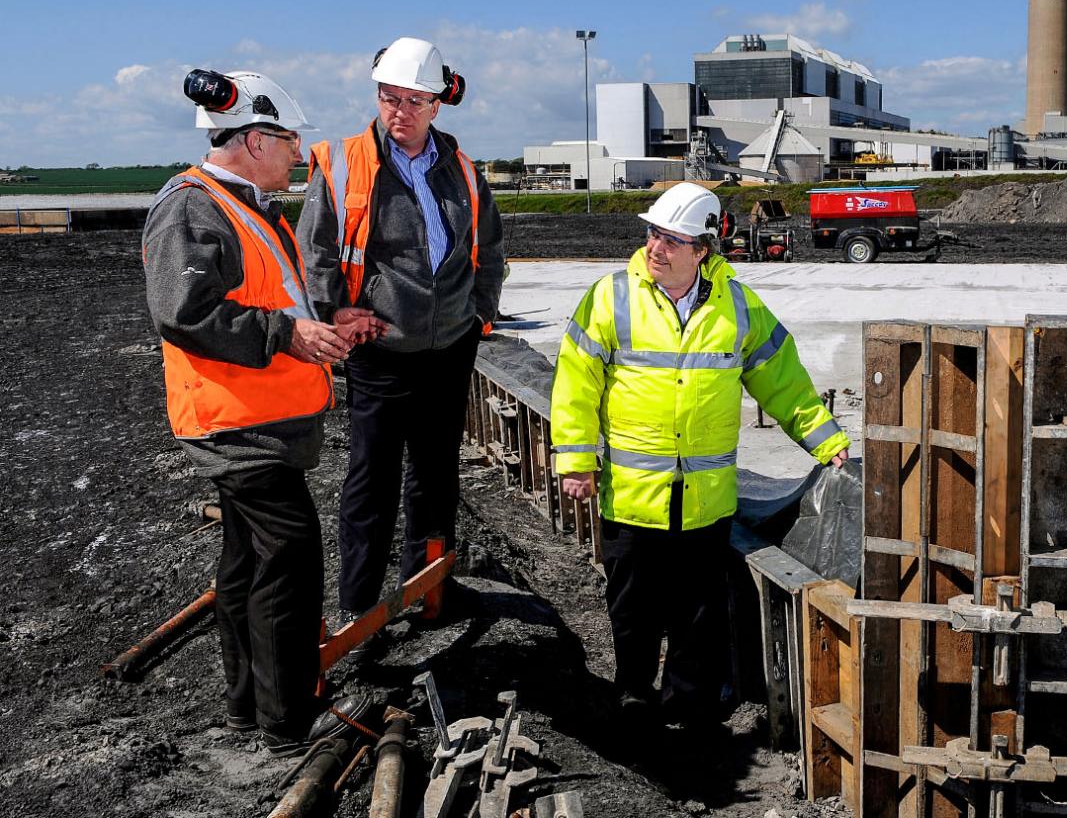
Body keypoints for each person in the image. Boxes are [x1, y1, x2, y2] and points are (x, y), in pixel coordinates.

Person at [550, 182, 849, 732]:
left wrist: (829, 442)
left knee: (698, 615)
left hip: (705, 501)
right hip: (633, 496)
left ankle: (689, 716)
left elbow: (783, 383)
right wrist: (573, 458)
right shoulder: (611, 296)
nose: (656, 248)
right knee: (633, 610)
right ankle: (633, 697)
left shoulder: (738, 307)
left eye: (672, 239)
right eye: (653, 234)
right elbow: (575, 380)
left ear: (703, 249)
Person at [143, 69, 380, 751]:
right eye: (287, 138)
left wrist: (329, 320)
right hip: (237, 423)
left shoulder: (244, 204)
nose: (299, 151)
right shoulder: (193, 207)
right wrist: (288, 335)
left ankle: (250, 708)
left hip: (258, 416)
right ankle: (287, 722)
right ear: (252, 140)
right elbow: (185, 313)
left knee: (248, 563)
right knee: (288, 562)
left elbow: (272, 299)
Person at [296, 37, 505, 623]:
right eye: (390, 98)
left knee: (437, 475)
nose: (400, 111)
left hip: (450, 349)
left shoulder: (460, 167)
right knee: (373, 482)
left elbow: (488, 247)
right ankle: (360, 608)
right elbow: (313, 253)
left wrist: (479, 312)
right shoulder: (347, 165)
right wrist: (334, 312)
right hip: (381, 351)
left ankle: (428, 589)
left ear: (437, 104)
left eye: (414, 100)